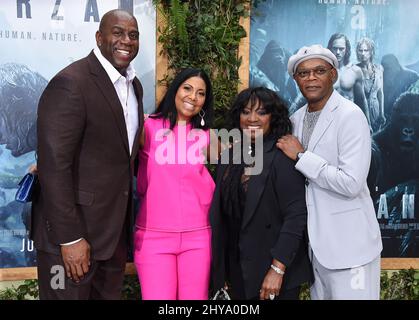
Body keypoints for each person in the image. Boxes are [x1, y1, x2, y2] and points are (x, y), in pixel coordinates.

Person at [31, 9, 144, 300]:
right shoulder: (72, 83)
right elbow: (53, 166)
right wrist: (69, 238)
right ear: (99, 37)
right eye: (117, 32)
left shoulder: (134, 86)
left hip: (111, 238)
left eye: (133, 35)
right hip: (70, 241)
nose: (126, 40)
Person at [277, 44, 382, 300]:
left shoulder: (351, 115)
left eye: (319, 71)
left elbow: (351, 183)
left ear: (333, 75)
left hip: (351, 248)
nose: (311, 78)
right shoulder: (295, 119)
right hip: (316, 250)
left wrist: (302, 156)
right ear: (295, 79)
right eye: (303, 73)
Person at [210, 87, 312, 300]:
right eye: (246, 112)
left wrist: (277, 269)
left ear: (272, 117)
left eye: (261, 112)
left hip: (272, 272)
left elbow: (296, 216)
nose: (252, 118)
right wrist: (222, 272)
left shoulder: (281, 156)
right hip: (237, 272)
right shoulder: (229, 156)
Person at [134, 68, 215, 300]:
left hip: (198, 237)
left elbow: (236, 171)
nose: (193, 96)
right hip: (153, 237)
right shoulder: (146, 127)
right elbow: (110, 153)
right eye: (187, 88)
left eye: (201, 93)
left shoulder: (208, 136)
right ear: (175, 90)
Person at [327, 33, 368, 121]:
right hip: (328, 120)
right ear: (330, 49)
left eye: (341, 49)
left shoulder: (355, 71)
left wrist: (367, 123)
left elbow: (361, 100)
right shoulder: (323, 71)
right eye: (335, 48)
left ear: (346, 50)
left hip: (349, 119)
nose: (338, 52)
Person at [356, 37, 386, 132]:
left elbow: (380, 92)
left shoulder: (379, 69)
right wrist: (368, 123)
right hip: (360, 111)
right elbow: (361, 98)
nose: (363, 53)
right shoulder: (355, 70)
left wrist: (381, 113)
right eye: (360, 50)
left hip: (376, 111)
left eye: (366, 50)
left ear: (371, 52)